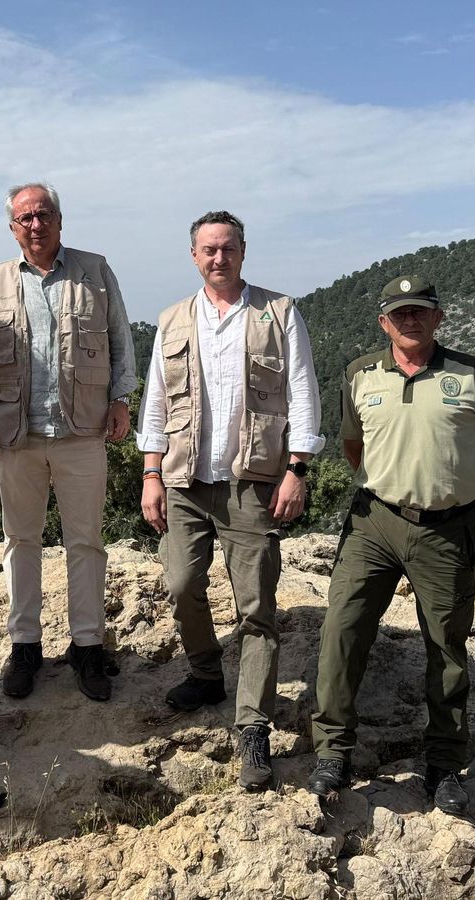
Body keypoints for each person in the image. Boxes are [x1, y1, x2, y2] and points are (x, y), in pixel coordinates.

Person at [307, 275, 475, 817]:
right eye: (400, 313)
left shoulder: (471, 372)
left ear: (438, 317)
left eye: (420, 311)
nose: (411, 320)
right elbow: (355, 449)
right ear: (384, 322)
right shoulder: (360, 375)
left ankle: (444, 764)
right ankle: (332, 753)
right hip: (374, 521)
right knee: (342, 629)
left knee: (446, 645)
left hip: (447, 528)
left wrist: (455, 495)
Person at [138, 211, 324, 790]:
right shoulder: (173, 319)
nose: (219, 258)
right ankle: (204, 673)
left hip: (253, 480)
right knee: (180, 583)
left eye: (228, 248)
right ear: (194, 256)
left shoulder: (278, 312)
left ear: (244, 251)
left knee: (256, 609)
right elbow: (155, 402)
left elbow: (302, 391)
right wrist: (150, 473)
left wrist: (297, 469)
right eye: (208, 250)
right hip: (185, 479)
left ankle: (253, 727)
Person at [0, 183, 138, 703]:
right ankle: (25, 644)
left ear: (59, 221)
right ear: (12, 228)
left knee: (84, 541)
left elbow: (119, 338)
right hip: (16, 434)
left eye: (43, 215)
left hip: (81, 430)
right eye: (25, 218)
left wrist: (120, 400)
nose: (35, 225)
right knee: (21, 541)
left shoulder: (95, 271)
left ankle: (87, 644)